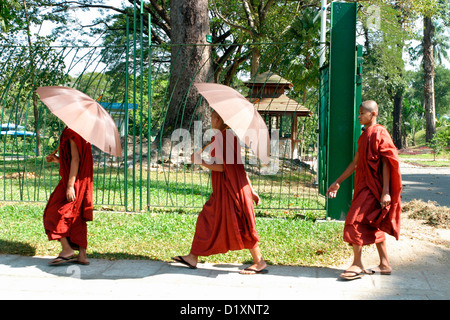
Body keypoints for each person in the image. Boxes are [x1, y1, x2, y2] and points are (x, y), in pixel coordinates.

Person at [172, 110, 267, 275]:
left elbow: (224, 167)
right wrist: (251, 190)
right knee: (207, 220)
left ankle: (259, 262)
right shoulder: (226, 137)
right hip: (229, 191)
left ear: (217, 119)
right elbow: (238, 168)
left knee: (241, 225)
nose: (210, 121)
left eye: (211, 118)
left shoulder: (223, 138)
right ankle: (192, 257)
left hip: (231, 192)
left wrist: (200, 161)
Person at [326, 100, 402, 280]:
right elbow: (355, 163)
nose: (359, 116)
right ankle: (384, 264)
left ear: (373, 114)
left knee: (353, 221)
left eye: (362, 113)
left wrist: (385, 192)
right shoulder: (364, 135)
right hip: (362, 185)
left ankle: (357, 264)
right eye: (358, 113)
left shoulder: (379, 132)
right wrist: (338, 181)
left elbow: (386, 162)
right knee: (372, 223)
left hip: (373, 188)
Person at [43, 127, 94, 266]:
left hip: (73, 181)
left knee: (53, 212)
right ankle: (82, 255)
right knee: (77, 216)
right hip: (82, 179)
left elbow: (76, 160)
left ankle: (67, 249)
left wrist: (70, 186)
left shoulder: (73, 132)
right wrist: (58, 160)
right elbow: (74, 158)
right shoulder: (82, 131)